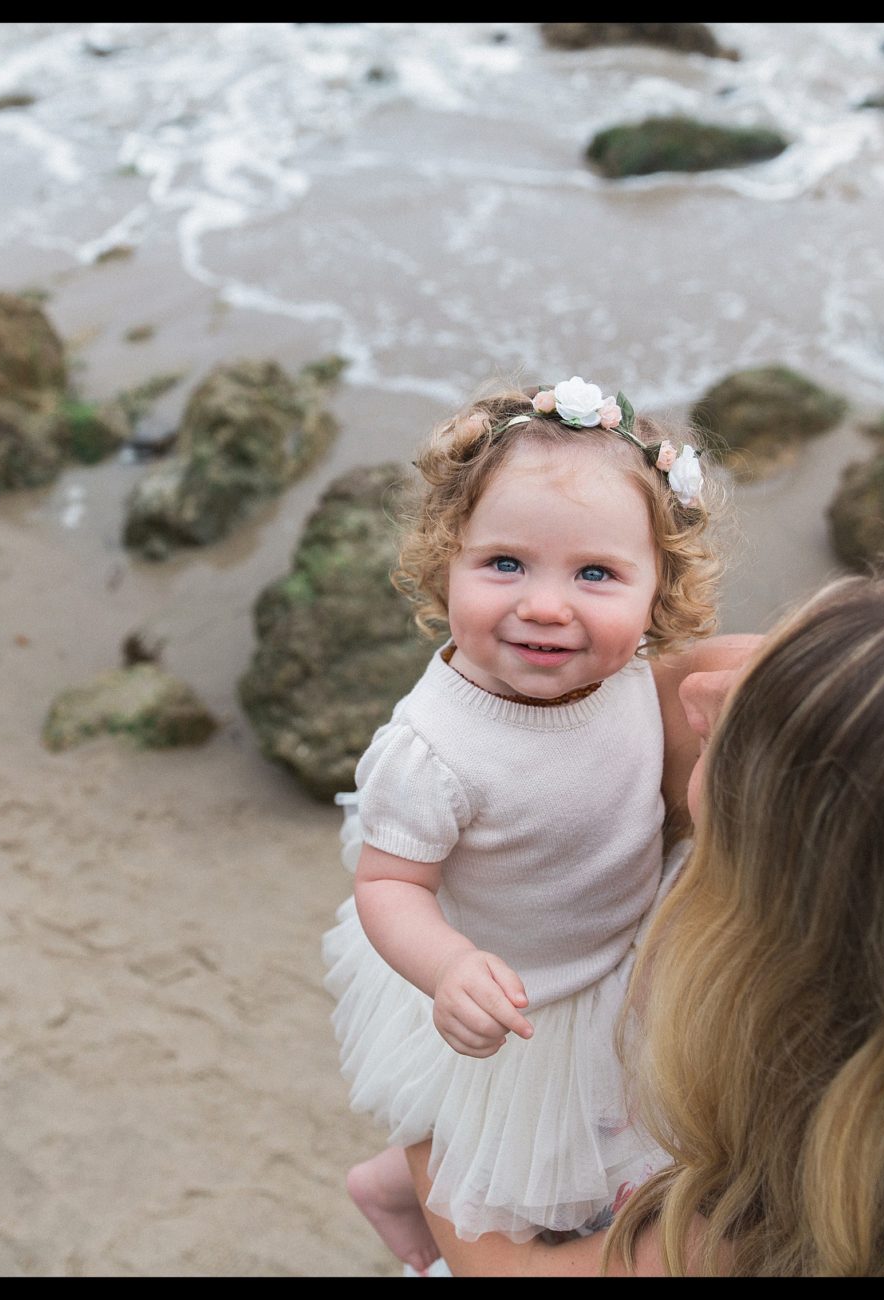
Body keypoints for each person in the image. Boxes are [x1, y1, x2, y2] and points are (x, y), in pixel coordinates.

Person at [401, 565, 884, 1275]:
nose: (695, 691)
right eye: (766, 655)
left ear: (812, 919)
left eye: (741, 729)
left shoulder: (759, 1228)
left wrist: (423, 1118)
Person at [322, 376, 722, 1270]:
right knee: (543, 1177)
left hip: (618, 947)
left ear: (658, 589)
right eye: (504, 564)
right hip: (517, 993)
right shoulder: (433, 747)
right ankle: (418, 1213)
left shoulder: (629, 669)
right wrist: (448, 966)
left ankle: (392, 1184)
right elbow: (389, 884)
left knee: (612, 1142)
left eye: (595, 574)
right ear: (445, 561)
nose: (546, 605)